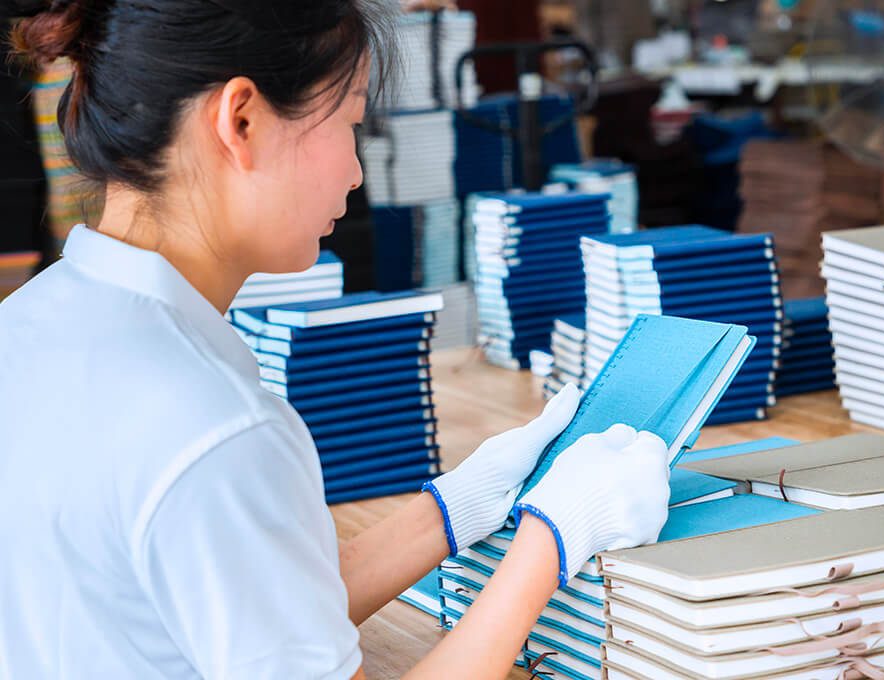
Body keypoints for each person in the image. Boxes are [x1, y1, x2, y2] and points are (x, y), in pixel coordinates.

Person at [0, 2, 671, 679]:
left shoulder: (27, 324)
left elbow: (257, 607)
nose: (355, 172)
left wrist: (458, 504)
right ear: (241, 121)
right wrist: (550, 542)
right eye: (351, 123)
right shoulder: (212, 426)